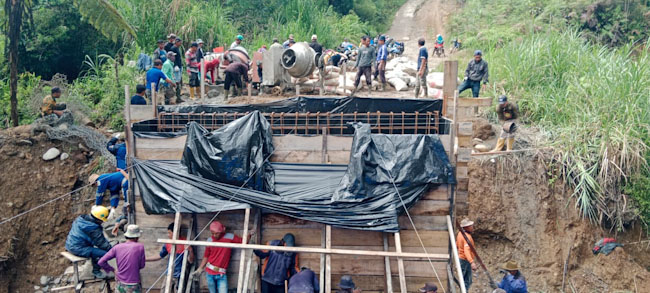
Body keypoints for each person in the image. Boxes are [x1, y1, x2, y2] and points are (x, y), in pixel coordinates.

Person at [193, 221, 249, 293]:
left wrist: (249, 235)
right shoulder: (209, 240)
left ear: (222, 231)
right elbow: (206, 256)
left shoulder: (230, 237)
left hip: (221, 274)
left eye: (217, 233)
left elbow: (243, 242)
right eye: (213, 233)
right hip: (209, 273)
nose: (215, 235)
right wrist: (200, 268)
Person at [65, 206, 113, 279]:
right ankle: (96, 271)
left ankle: (98, 266)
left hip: (70, 244)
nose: (103, 222)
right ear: (99, 219)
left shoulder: (81, 219)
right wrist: (113, 249)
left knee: (96, 250)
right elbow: (101, 244)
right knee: (105, 254)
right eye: (102, 220)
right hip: (78, 249)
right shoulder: (93, 228)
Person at [147, 222, 195, 292]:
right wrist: (146, 259)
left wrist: (190, 250)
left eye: (169, 233)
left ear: (176, 232)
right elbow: (160, 256)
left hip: (180, 275)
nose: (168, 235)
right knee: (164, 290)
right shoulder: (168, 243)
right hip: (169, 274)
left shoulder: (185, 243)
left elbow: (190, 261)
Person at [98, 225, 146, 293]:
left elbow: (101, 262)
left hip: (120, 282)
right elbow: (142, 265)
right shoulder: (140, 247)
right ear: (137, 237)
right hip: (133, 283)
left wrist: (113, 270)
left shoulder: (117, 247)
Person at [456, 218, 477, 290]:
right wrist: (472, 262)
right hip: (465, 260)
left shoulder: (460, 234)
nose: (472, 227)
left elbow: (457, 245)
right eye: (471, 226)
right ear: (466, 227)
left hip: (462, 259)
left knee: (464, 280)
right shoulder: (467, 237)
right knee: (467, 281)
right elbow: (466, 251)